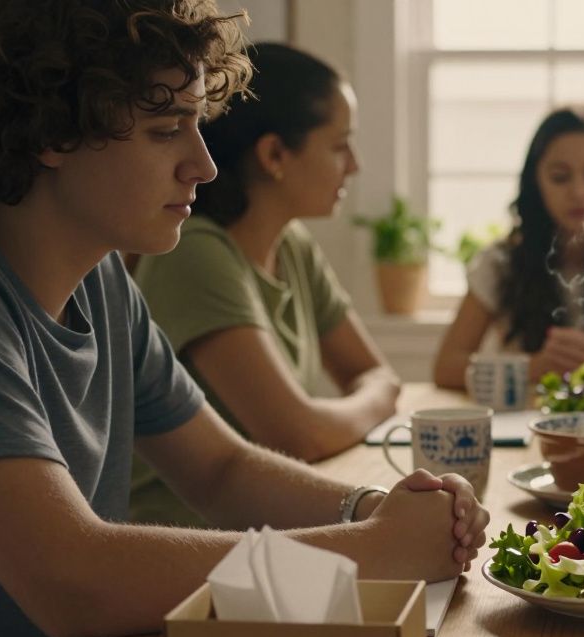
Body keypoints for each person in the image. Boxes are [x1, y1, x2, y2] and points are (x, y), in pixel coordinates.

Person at [0, 0, 488, 637]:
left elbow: (220, 469)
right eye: (166, 130)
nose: (205, 164)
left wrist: (373, 508)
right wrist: (373, 549)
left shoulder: (103, 283)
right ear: (54, 132)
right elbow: (70, 577)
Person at [131, 42, 399, 525]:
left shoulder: (291, 244)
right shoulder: (193, 253)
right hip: (194, 544)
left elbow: (373, 374)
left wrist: (353, 406)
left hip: (265, 530)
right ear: (274, 154)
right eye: (339, 145)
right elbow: (299, 436)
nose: (354, 165)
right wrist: (372, 402)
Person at [432, 105, 584, 389]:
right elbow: (446, 367)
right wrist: (533, 367)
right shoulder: (500, 261)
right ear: (535, 181)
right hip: (528, 414)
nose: (579, 192)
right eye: (560, 177)